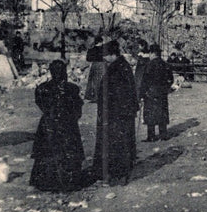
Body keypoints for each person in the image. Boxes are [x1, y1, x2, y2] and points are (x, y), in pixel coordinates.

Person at [30, 59, 85, 192]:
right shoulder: (72, 89)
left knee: (47, 152)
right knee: (67, 152)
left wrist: (49, 113)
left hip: (48, 124)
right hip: (67, 125)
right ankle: (68, 182)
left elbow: (40, 103)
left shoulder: (42, 88)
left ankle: (46, 182)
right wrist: (71, 117)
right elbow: (78, 107)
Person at [91, 40, 140, 186]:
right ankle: (119, 174)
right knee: (121, 145)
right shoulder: (121, 66)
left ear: (112, 54)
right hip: (120, 114)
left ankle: (117, 176)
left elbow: (117, 94)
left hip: (116, 115)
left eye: (106, 55)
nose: (104, 59)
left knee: (116, 145)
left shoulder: (118, 69)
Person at [139, 44, 174, 142]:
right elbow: (171, 79)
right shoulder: (166, 64)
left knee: (150, 114)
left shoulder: (149, 65)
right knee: (162, 112)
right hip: (162, 92)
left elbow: (144, 81)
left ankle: (151, 136)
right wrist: (166, 88)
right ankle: (163, 135)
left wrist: (141, 94)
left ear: (152, 53)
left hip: (151, 92)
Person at [84, 35, 105, 102]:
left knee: (93, 81)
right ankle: (101, 96)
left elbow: (88, 59)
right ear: (101, 42)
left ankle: (94, 97)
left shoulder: (91, 50)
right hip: (102, 65)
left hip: (94, 65)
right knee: (102, 80)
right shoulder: (104, 49)